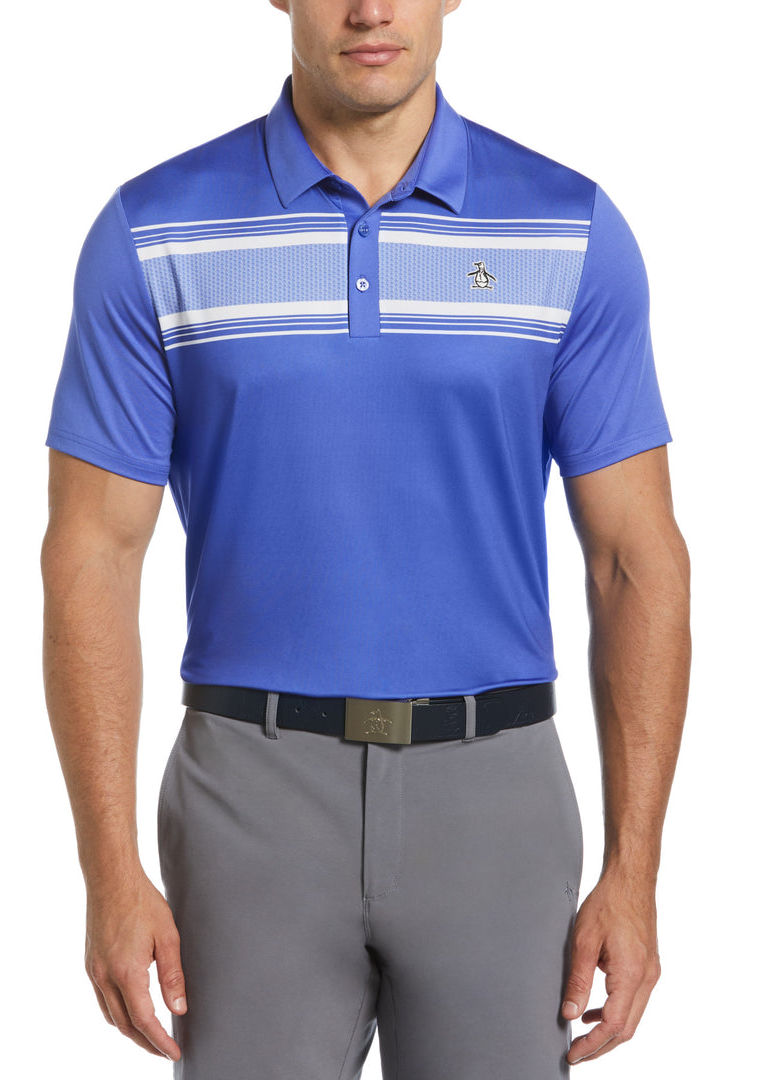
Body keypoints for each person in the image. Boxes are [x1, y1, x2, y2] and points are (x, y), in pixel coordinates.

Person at [41, 1, 691, 1076]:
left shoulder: (567, 229)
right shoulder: (153, 231)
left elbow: (635, 560)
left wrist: (636, 871)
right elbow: (91, 559)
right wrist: (108, 872)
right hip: (247, 801)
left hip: (497, 802)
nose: (372, 8)